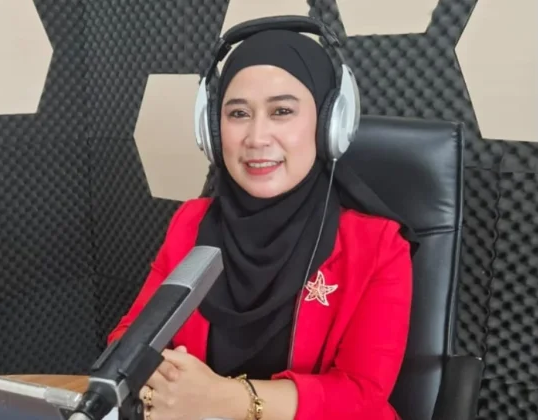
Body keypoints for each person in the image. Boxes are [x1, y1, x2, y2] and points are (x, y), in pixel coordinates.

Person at [108, 27, 418, 420]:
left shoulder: (378, 246)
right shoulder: (191, 223)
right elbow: (130, 339)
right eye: (238, 114)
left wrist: (226, 399)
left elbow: (362, 397)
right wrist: (157, 382)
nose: (256, 138)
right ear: (212, 130)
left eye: (282, 112)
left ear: (330, 125)